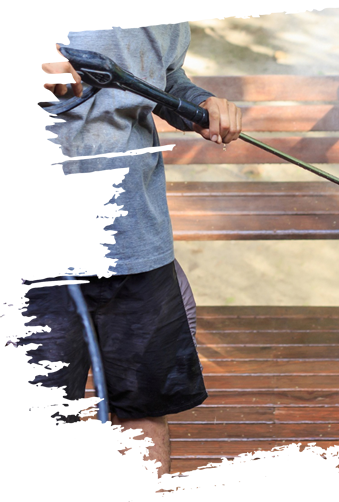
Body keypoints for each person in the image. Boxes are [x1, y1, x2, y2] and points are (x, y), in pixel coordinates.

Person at [0, 1, 242, 500]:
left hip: (137, 242)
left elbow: (160, 76)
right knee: (43, 433)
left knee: (144, 406)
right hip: (36, 252)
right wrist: (11, 50)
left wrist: (201, 101)